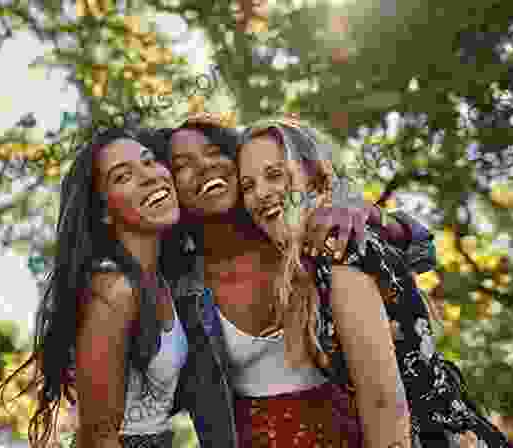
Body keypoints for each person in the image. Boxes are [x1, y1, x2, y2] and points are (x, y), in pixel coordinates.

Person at [155, 113, 437, 448]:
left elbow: (420, 253)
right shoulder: (177, 288)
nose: (204, 166)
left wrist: (366, 212)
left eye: (215, 152)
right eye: (183, 164)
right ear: (170, 186)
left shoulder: (307, 232)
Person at [236, 116, 510, 448]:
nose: (261, 193)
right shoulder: (308, 262)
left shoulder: (339, 247)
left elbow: (384, 404)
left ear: (314, 176)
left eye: (275, 175)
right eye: (248, 186)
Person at [0, 127, 194, 448]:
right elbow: (99, 437)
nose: (149, 176)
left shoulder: (159, 280)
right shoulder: (113, 289)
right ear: (104, 210)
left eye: (149, 161)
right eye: (122, 176)